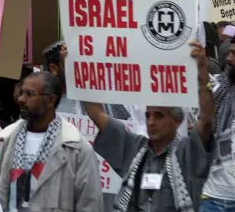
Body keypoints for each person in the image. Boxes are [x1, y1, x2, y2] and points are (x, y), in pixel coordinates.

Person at [84, 40, 213, 212]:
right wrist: (79, 63)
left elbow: (206, 121)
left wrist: (203, 76)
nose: (151, 122)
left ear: (177, 121)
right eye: (147, 115)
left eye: (159, 116)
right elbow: (96, 113)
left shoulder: (187, 152)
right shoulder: (134, 147)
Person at [0, 71, 102, 212]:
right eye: (21, 92)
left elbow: (90, 204)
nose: (21, 99)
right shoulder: (4, 140)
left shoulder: (76, 147)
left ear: (50, 100)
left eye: (29, 94)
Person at [201, 37, 235, 211]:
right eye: (229, 52)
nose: (229, 58)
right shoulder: (218, 88)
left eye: (234, 54)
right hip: (212, 197)